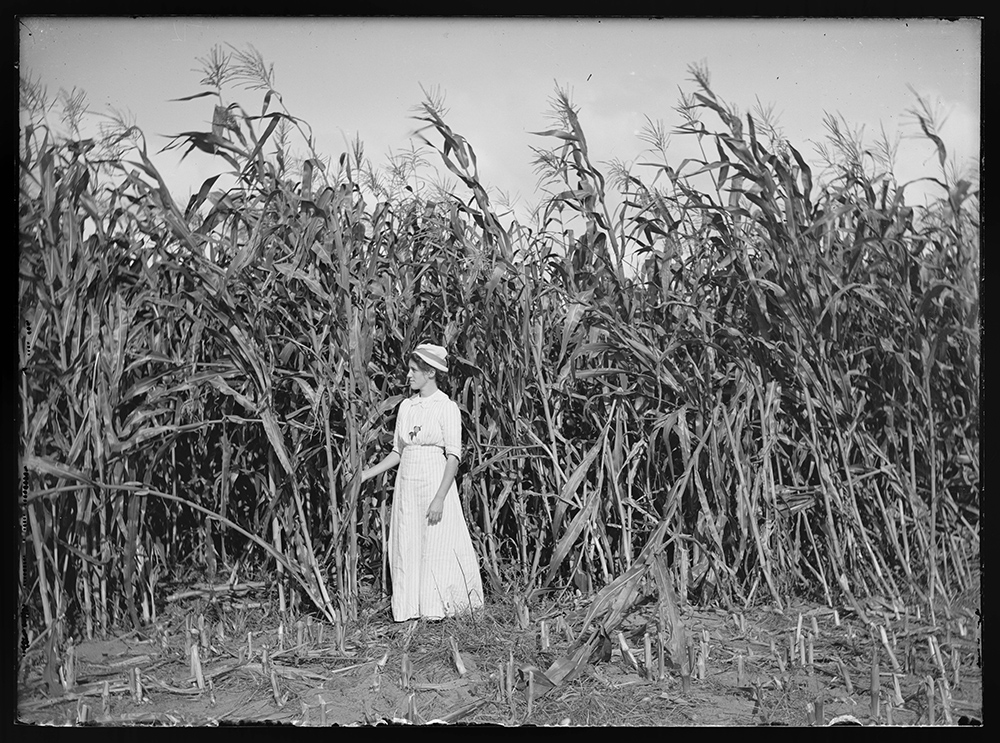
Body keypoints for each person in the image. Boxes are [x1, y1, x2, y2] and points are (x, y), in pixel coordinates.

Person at [361, 343, 484, 622]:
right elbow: (398, 451)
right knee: (408, 540)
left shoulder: (446, 407)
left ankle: (437, 607)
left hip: (434, 481)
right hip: (408, 483)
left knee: (437, 543)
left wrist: (440, 497)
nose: (408, 375)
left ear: (430, 373)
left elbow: (453, 457)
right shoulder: (406, 406)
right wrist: (367, 474)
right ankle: (410, 608)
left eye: (414, 370)